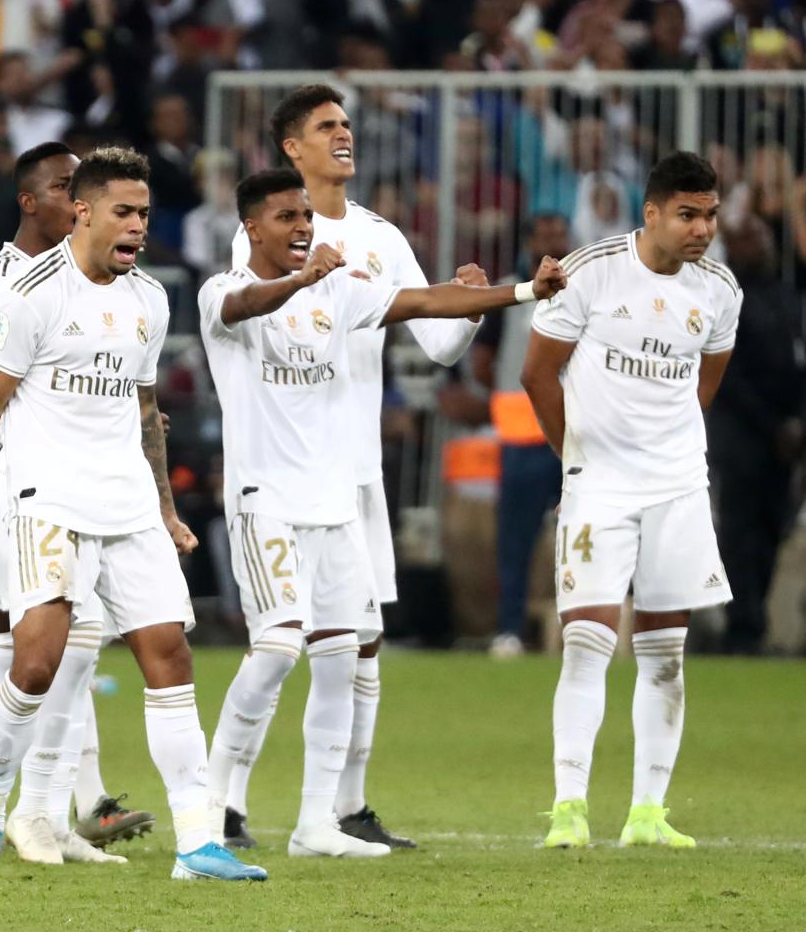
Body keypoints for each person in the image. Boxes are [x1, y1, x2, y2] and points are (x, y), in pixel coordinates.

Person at [203, 169, 566, 857]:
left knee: (344, 657)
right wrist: (303, 281)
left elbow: (423, 302)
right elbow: (247, 304)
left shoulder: (338, 289)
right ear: (251, 228)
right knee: (279, 649)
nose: (302, 227)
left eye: (305, 217)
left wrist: (520, 290)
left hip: (336, 500)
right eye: (286, 217)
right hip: (267, 504)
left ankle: (316, 826)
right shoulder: (220, 293)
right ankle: (210, 803)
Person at [0, 147, 263, 882]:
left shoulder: (149, 298)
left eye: (144, 213)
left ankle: (198, 842)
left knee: (169, 656)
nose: (138, 227)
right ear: (82, 211)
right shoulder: (31, 295)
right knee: (37, 664)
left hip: (128, 506)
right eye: (124, 212)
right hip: (47, 501)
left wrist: (168, 509)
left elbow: (146, 412)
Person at [213, 84, 482, 852]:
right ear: (291, 148)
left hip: (355, 472)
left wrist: (462, 308)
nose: (344, 136)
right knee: (280, 643)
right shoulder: (268, 237)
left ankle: (343, 807)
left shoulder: (379, 235)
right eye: (326, 127)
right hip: (281, 474)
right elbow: (257, 319)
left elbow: (436, 345)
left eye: (348, 125)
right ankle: (227, 802)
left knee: (359, 640)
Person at [0, 143, 155, 862]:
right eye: (63, 188)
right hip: (3, 466)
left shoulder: (101, 282)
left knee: (45, 636)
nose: (77, 201)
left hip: (52, 467)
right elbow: (11, 391)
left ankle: (21, 806)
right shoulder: (9, 281)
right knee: (26, 636)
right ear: (32, 201)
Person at [523, 152, 739, 850]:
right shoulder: (593, 270)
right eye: (687, 214)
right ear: (651, 213)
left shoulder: (719, 291)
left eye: (709, 213)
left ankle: (649, 812)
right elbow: (537, 374)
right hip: (600, 487)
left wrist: (665, 449)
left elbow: (702, 386)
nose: (702, 227)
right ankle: (568, 810)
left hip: (677, 486)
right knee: (586, 642)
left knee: (665, 650)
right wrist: (575, 456)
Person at [475, 214, 573, 656]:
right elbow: (482, 359)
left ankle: (584, 626)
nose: (554, 242)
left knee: (586, 535)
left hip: (573, 437)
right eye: (546, 235)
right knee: (514, 542)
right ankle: (509, 629)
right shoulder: (511, 292)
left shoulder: (581, 293)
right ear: (529, 241)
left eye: (559, 235)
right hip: (520, 441)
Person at [708, 220, 805, 654]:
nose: (761, 245)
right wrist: (774, 426)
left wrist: (798, 423)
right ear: (733, 247)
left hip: (786, 439)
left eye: (764, 237)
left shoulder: (788, 298)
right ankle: (740, 626)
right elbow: (727, 377)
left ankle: (756, 618)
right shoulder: (727, 300)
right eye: (750, 238)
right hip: (742, 436)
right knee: (739, 532)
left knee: (772, 527)